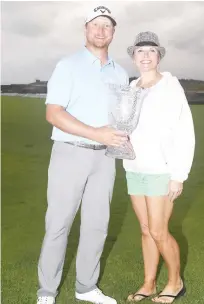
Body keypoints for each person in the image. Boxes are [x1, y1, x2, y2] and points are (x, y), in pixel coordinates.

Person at [37, 6, 129, 304]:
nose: (101, 31)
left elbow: (121, 117)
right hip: (70, 153)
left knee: (97, 225)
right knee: (59, 224)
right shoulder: (67, 65)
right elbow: (53, 114)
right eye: (95, 25)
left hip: (105, 158)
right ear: (85, 29)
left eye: (107, 26)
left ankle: (86, 287)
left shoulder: (120, 72)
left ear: (113, 32)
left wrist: (120, 135)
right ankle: (47, 292)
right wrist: (97, 133)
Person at [123, 32, 195, 304]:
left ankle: (175, 283)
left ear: (158, 56)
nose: (145, 56)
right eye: (140, 51)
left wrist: (178, 176)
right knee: (145, 229)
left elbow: (184, 131)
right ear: (133, 56)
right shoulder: (131, 88)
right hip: (134, 168)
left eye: (151, 51)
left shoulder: (170, 86)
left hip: (160, 170)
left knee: (158, 230)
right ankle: (148, 283)